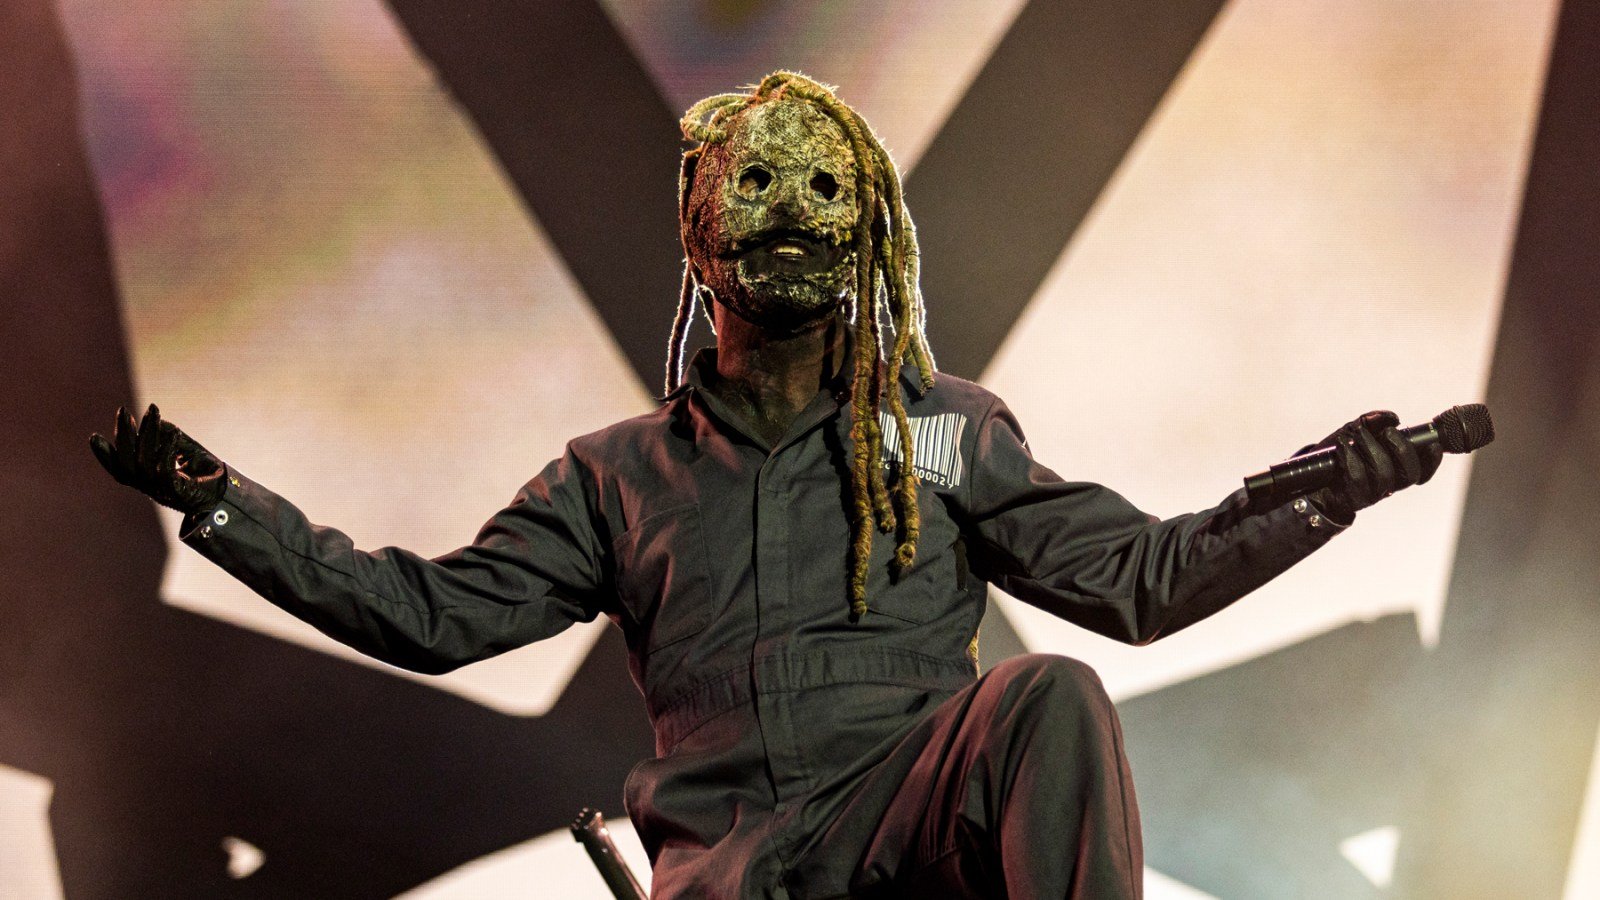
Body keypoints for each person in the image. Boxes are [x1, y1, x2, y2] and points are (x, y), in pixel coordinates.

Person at [90, 72, 1440, 899]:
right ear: (699, 223)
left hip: (909, 819)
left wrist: (1324, 496)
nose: (791, 211)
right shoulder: (618, 477)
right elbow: (434, 616)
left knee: (1052, 694)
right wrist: (220, 503)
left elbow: (1138, 582)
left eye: (822, 186)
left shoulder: (939, 433)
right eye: (759, 184)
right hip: (733, 859)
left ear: (867, 227)